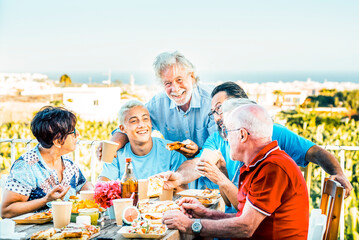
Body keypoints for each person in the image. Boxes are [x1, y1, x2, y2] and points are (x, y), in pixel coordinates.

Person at [159, 81, 352, 211]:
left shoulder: (268, 132)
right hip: (232, 216)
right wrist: (178, 177)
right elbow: (200, 164)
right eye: (213, 113)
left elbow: (316, 152)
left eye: (219, 109)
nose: (217, 117)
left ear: (240, 104)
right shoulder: (218, 138)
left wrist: (338, 173)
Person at [163, 104, 309, 239]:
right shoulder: (260, 164)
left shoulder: (273, 167)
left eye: (227, 131)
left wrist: (189, 225)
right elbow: (243, 218)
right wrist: (207, 214)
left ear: (242, 135)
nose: (225, 138)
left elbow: (245, 227)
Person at [97, 51, 216, 160]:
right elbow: (130, 126)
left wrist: (197, 150)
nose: (175, 88)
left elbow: (218, 147)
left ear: (192, 77)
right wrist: (112, 145)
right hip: (178, 170)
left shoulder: (211, 101)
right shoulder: (159, 104)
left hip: (212, 169)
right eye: (168, 83)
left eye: (179, 80)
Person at [1, 106, 93, 218]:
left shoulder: (68, 162)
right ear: (58, 141)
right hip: (32, 233)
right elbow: (6, 211)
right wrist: (46, 200)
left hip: (67, 230)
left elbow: (83, 185)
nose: (78, 134)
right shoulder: (26, 166)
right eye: (73, 131)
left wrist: (93, 191)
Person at [98, 100, 187, 181]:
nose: (141, 125)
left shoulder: (171, 150)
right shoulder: (116, 154)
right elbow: (103, 186)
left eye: (145, 119)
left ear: (151, 123)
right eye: (133, 121)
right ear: (122, 128)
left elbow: (182, 188)